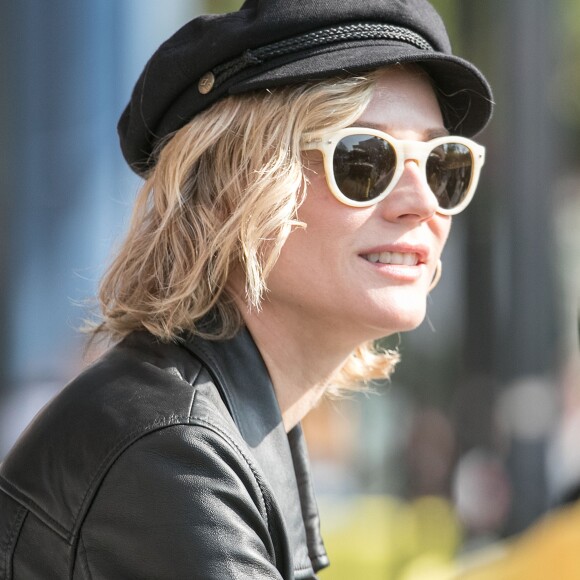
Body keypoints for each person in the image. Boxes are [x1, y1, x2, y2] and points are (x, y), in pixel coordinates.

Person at [0, 0, 492, 578]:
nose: (423, 202)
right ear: (235, 190)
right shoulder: (171, 454)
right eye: (365, 159)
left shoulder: (225, 427)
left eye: (443, 163)